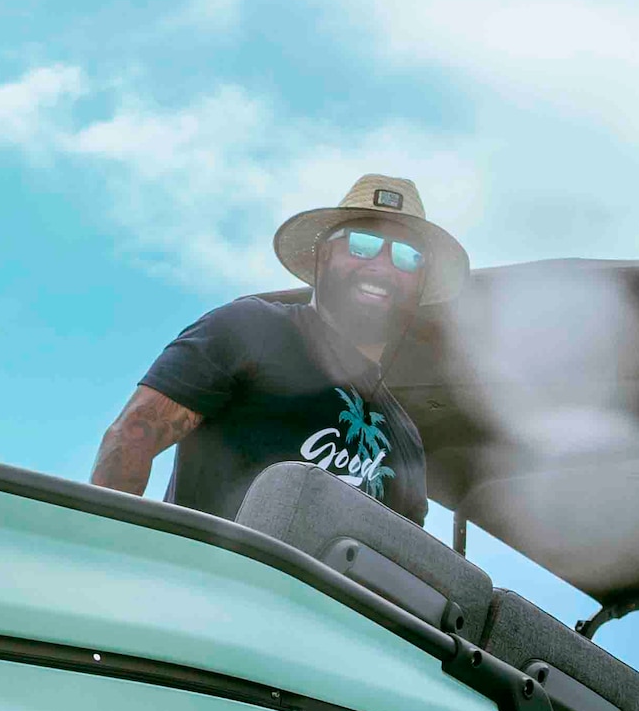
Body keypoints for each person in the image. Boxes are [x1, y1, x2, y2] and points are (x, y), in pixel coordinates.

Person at [91, 173, 466, 521]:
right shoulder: (250, 329)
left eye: (406, 256)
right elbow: (131, 438)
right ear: (324, 255)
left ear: (419, 283)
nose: (383, 266)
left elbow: (400, 558)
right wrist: (107, 559)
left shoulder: (405, 438)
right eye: (362, 245)